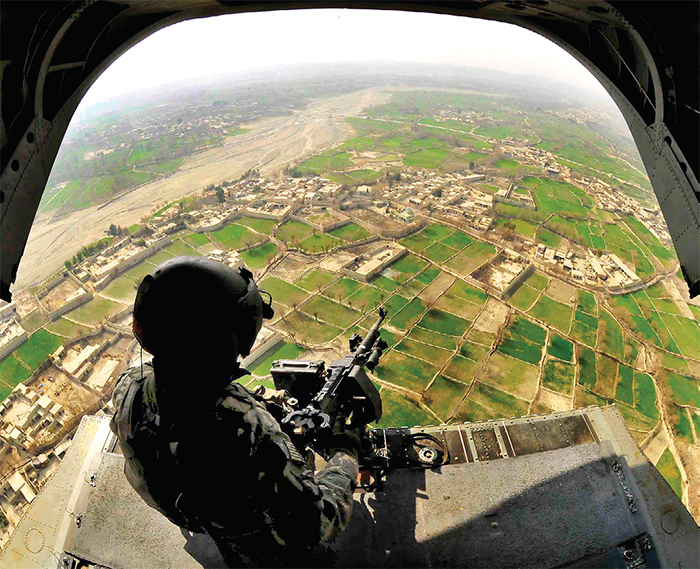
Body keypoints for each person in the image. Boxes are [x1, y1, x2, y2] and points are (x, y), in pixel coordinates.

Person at [110, 256, 360, 566]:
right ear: (228, 341)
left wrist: (262, 408)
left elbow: (184, 416)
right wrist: (345, 457)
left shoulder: (128, 389)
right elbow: (317, 522)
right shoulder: (249, 432)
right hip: (256, 542)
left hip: (199, 517)